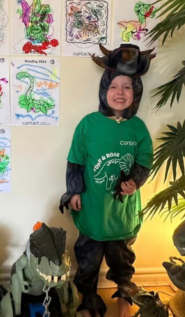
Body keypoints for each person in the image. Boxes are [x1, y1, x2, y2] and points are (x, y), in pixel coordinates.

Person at [59, 45, 155, 317]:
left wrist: (135, 181)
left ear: (136, 93)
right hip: (92, 210)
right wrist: (74, 191)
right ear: (104, 90)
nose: (120, 93)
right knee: (87, 261)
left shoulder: (138, 128)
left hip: (122, 213)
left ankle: (125, 294)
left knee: (122, 259)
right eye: (114, 86)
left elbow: (145, 160)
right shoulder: (88, 124)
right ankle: (88, 300)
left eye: (127, 87)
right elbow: (75, 159)